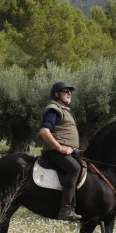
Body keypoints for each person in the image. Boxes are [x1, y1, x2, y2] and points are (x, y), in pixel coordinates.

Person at [39, 81, 82, 221]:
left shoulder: (64, 110)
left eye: (70, 91)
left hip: (68, 152)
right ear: (57, 94)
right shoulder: (54, 109)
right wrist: (59, 147)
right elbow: (44, 131)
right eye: (65, 91)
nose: (69, 93)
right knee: (74, 168)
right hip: (54, 152)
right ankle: (65, 210)